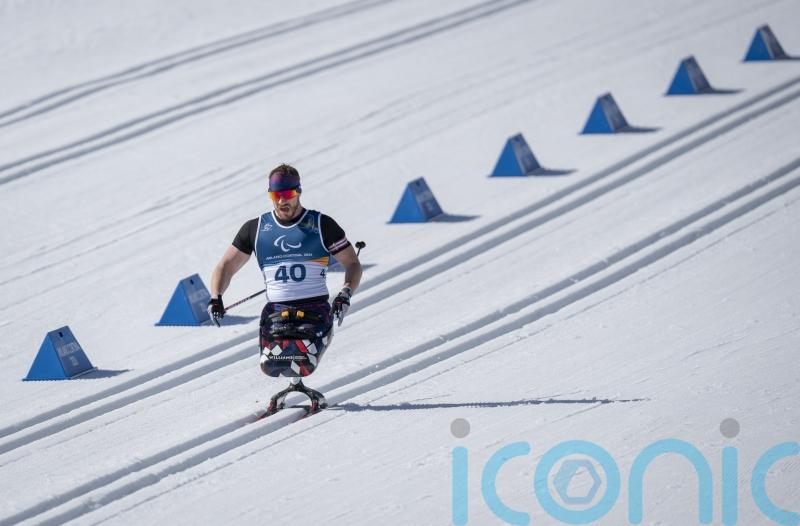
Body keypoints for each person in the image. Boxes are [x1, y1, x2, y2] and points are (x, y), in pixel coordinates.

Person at [207, 163, 362, 413]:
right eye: (276, 196)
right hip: (277, 311)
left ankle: (299, 383)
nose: (282, 202)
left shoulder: (321, 224)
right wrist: (216, 297)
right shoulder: (256, 229)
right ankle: (293, 385)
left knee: (303, 359)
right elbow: (226, 265)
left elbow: (352, 263)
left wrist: (345, 293)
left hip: (314, 308)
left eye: (288, 195)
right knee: (271, 365)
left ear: (298, 192)